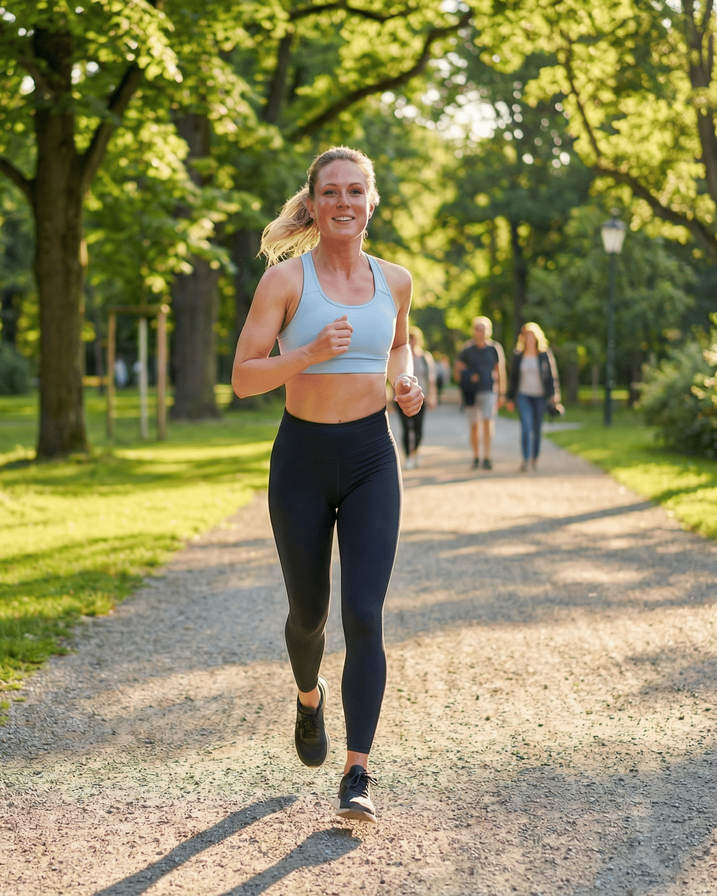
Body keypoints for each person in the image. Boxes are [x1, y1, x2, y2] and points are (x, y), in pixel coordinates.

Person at [231, 146, 424, 823]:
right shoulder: (286, 283)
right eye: (330, 192)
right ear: (312, 205)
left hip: (372, 455)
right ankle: (307, 697)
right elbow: (243, 377)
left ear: (372, 202)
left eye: (355, 191)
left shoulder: (395, 280)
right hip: (302, 462)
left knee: (364, 615)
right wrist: (309, 353)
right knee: (309, 616)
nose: (343, 203)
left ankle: (357, 773)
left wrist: (405, 382)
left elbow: (399, 343)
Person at [505, 322, 563, 472]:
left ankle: (534, 458)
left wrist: (554, 394)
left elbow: (551, 376)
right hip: (523, 395)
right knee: (526, 425)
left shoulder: (544, 354)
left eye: (531, 335)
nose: (529, 338)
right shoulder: (518, 355)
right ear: (523, 338)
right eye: (526, 335)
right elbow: (513, 378)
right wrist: (510, 398)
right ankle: (525, 459)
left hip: (540, 397)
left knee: (537, 428)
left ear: (537, 337)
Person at [455, 317, 505, 471]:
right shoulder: (467, 349)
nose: (479, 332)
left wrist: (502, 392)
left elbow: (500, 371)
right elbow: (457, 371)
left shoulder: (494, 348)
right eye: (477, 329)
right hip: (471, 392)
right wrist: (468, 376)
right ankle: (476, 456)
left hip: (489, 390)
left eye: (482, 329)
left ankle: (487, 457)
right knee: (474, 426)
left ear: (487, 331)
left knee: (487, 423)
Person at [397, 326, 437, 470]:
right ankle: (408, 456)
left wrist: (432, 396)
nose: (411, 342)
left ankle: (416, 452)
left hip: (421, 397)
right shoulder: (400, 357)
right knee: (406, 428)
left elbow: (431, 379)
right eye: (409, 339)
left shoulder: (425, 357)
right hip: (401, 397)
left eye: (413, 339)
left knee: (418, 428)